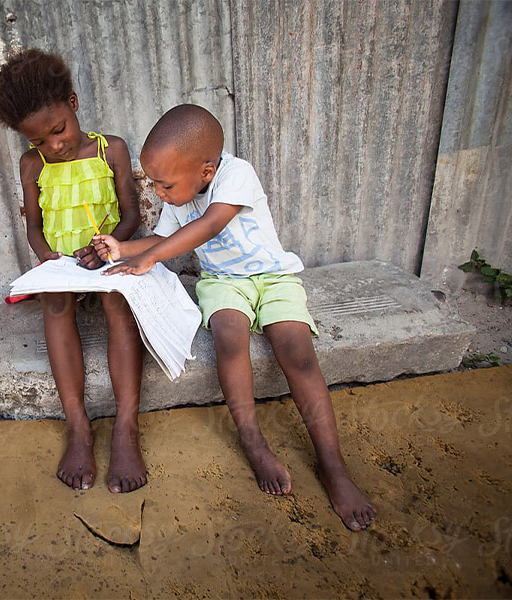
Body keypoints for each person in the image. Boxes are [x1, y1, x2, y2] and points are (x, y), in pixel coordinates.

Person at [93, 104, 377, 530]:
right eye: (152, 183)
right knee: (228, 338)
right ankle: (253, 440)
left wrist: (149, 259)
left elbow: (210, 225)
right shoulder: (179, 197)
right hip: (224, 282)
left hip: (274, 278)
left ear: (206, 172)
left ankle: (332, 464)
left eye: (164, 184)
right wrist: (121, 248)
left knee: (298, 353)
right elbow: (161, 238)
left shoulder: (236, 174)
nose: (157, 193)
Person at [0, 49, 146, 493]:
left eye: (58, 130)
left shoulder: (111, 149)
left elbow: (131, 215)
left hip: (107, 253)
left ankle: (126, 425)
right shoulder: (31, 165)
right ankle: (77, 425)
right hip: (61, 264)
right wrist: (50, 262)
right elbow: (34, 227)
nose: (53, 146)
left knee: (117, 301)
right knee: (55, 305)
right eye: (39, 141)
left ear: (73, 105)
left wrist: (108, 247)